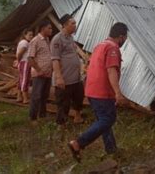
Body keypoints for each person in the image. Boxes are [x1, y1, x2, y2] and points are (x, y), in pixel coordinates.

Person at [68, 23, 129, 162]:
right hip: (102, 92)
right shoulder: (113, 48)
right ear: (121, 37)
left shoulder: (100, 45)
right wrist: (118, 93)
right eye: (125, 38)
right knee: (108, 119)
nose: (124, 41)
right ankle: (78, 143)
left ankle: (111, 149)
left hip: (91, 90)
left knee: (103, 120)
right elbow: (111, 70)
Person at [51, 14, 84, 126]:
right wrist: (59, 77)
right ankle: (61, 124)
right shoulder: (57, 39)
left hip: (75, 78)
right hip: (64, 79)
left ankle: (77, 117)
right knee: (63, 103)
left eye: (75, 23)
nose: (75, 25)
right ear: (64, 25)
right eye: (72, 23)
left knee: (78, 98)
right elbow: (55, 59)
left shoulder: (70, 38)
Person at [28, 20, 53, 123]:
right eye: (49, 28)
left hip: (47, 73)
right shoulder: (35, 40)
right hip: (39, 74)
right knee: (36, 95)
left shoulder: (47, 40)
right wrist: (39, 70)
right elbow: (30, 58)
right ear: (43, 29)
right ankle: (33, 117)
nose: (51, 30)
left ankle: (42, 115)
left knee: (44, 95)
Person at [16, 29, 34, 104]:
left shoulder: (25, 42)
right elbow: (19, 54)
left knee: (21, 80)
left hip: (23, 62)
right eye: (29, 35)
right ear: (25, 35)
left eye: (32, 35)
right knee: (25, 80)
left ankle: (19, 97)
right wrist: (18, 60)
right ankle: (25, 98)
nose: (31, 36)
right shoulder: (25, 43)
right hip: (25, 62)